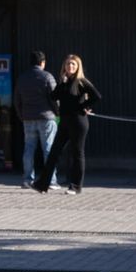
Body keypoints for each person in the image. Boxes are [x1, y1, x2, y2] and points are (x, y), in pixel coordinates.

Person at [32, 55, 101, 195]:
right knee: (54, 152)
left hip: (78, 122)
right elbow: (54, 96)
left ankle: (76, 186)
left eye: (73, 65)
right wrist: (61, 83)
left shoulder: (81, 82)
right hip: (64, 121)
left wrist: (83, 106)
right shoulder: (64, 82)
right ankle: (42, 184)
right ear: (64, 66)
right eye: (68, 64)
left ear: (77, 67)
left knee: (77, 153)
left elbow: (97, 96)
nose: (70, 67)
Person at [15, 50, 60, 190]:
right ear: (43, 62)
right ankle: (51, 181)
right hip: (46, 118)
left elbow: (17, 100)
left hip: (28, 118)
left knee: (29, 149)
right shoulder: (47, 77)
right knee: (48, 149)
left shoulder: (22, 78)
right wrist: (58, 113)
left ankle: (27, 180)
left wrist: (22, 115)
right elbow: (55, 99)